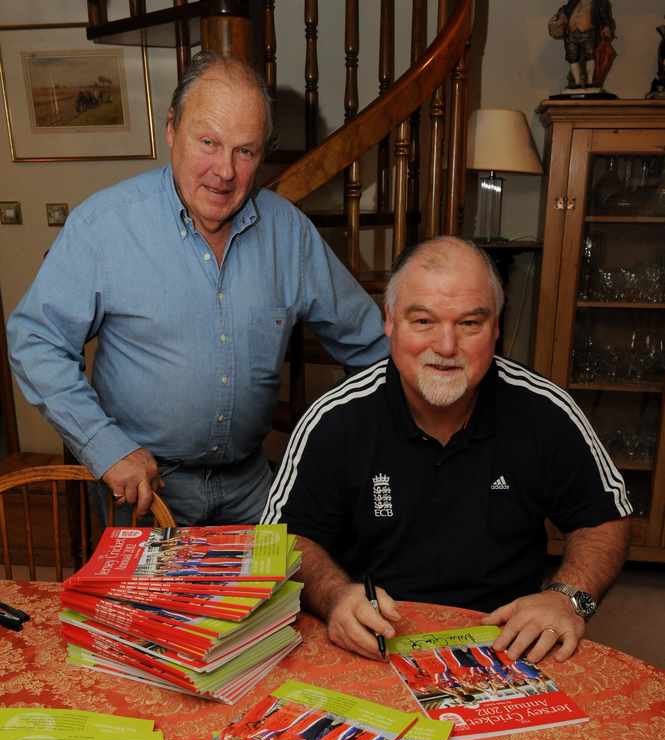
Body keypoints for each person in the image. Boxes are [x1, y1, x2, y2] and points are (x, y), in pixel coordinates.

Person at [7, 52, 386, 523]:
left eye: (244, 151)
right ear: (172, 128)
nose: (224, 171)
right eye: (208, 141)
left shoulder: (290, 234)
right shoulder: (104, 225)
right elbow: (35, 341)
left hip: (254, 488)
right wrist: (104, 446)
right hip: (146, 492)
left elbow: (373, 346)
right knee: (147, 602)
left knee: (277, 599)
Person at [262, 237, 631, 663]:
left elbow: (604, 518)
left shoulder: (545, 410)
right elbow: (285, 538)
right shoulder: (333, 418)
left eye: (470, 324)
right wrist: (336, 597)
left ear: (495, 327)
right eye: (423, 321)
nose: (447, 346)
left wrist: (567, 598)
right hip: (369, 643)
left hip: (507, 646)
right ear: (390, 321)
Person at [549, 0, 616, 90]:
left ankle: (590, 82)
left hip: (588, 33)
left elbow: (604, 16)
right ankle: (577, 83)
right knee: (572, 58)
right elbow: (565, 10)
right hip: (571, 34)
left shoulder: (599, 3)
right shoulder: (573, 2)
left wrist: (606, 27)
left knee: (590, 56)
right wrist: (558, 19)